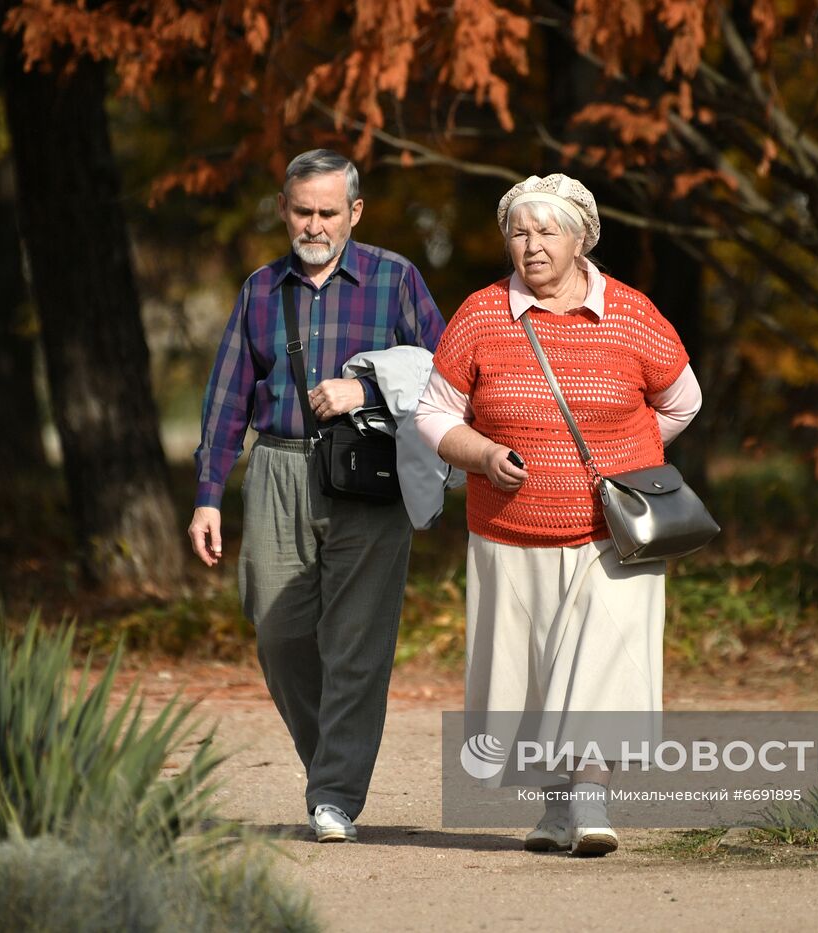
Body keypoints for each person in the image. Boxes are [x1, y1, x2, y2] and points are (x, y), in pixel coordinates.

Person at [413, 173, 702, 856]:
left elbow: (683, 400)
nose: (531, 244)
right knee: (534, 676)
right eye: (519, 231)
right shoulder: (482, 315)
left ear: (581, 238)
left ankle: (592, 800)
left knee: (599, 662)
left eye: (546, 231)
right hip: (510, 531)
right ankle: (554, 808)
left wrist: (627, 461)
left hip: (613, 533)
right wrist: (482, 453)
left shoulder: (632, 313)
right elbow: (433, 412)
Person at [188, 149, 445, 843]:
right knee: (278, 630)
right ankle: (331, 758)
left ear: (354, 212)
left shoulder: (396, 279)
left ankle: (333, 792)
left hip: (370, 473)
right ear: (283, 208)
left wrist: (366, 389)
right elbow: (226, 398)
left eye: (329, 211)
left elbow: (448, 377)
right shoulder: (259, 289)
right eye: (303, 210)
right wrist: (208, 494)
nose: (315, 224)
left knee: (358, 642)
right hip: (277, 468)